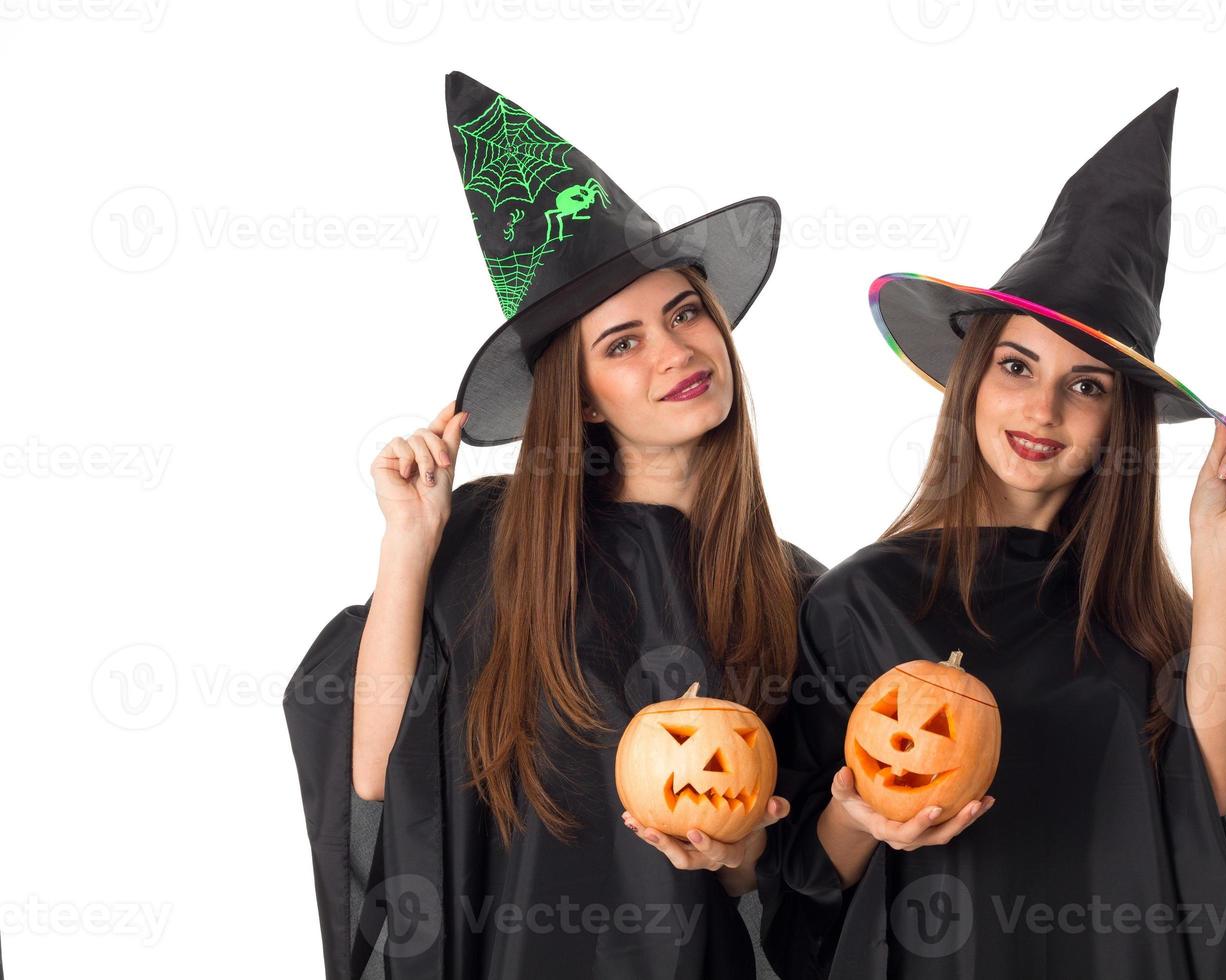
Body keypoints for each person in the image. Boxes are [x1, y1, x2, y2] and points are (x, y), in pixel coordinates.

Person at [760, 90, 1226, 979]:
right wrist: (861, 818)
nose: (1043, 408)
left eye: (1086, 386)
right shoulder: (860, 601)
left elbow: (1213, 804)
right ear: (974, 379)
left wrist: (1221, 556)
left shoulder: (1141, 617)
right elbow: (798, 884)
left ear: (1117, 424)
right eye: (1018, 366)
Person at [283, 72, 822, 979]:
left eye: (684, 312)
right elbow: (377, 786)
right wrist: (409, 548)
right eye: (623, 343)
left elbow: (801, 902)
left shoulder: (801, 590)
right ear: (583, 402)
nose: (677, 351)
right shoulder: (492, 545)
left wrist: (737, 859)